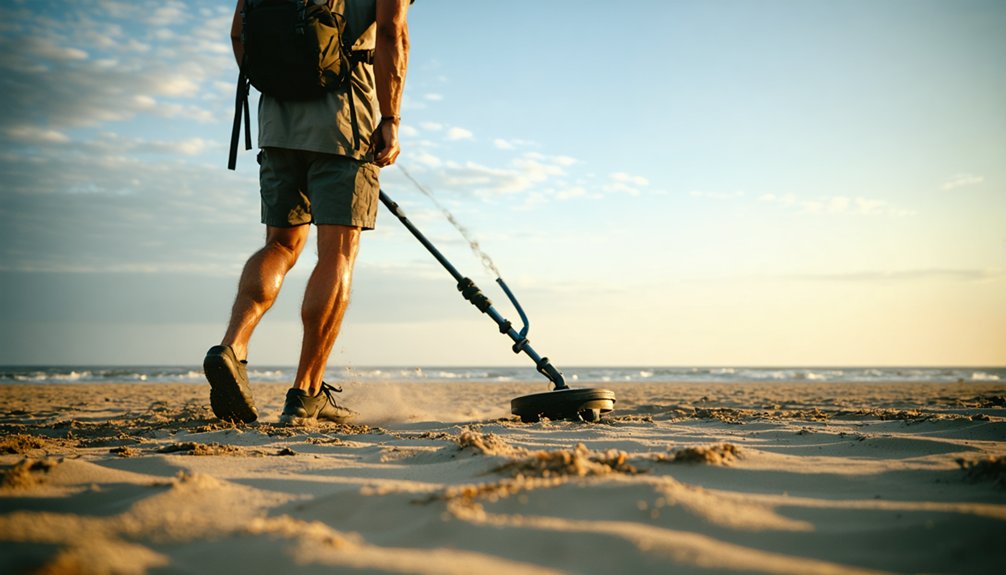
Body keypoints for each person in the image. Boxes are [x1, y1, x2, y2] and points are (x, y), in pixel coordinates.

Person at [203, 0, 411, 425]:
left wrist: (281, 82)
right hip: (344, 121)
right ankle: (307, 391)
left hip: (277, 124)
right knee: (337, 254)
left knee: (280, 244)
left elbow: (238, 34)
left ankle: (233, 348)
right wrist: (390, 118)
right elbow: (391, 32)